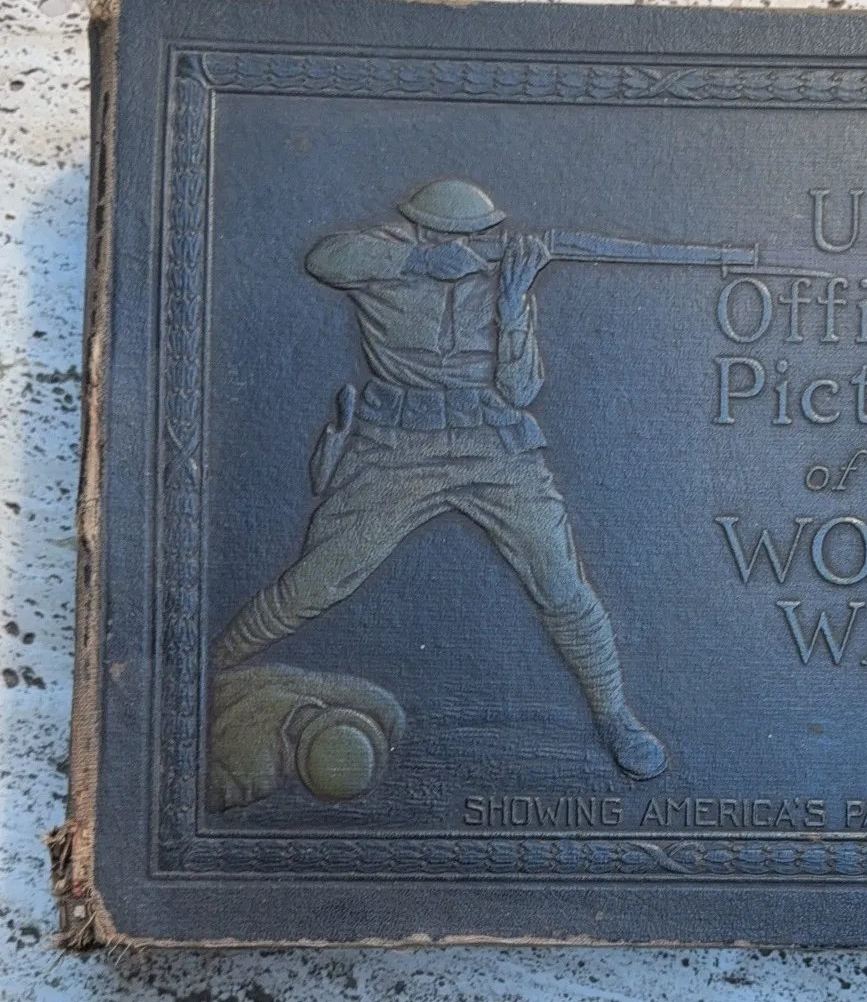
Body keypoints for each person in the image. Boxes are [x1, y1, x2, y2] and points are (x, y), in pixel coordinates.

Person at [211, 178, 668, 783]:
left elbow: (520, 390)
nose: (467, 244)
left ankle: (614, 716)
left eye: (475, 235)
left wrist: (512, 303)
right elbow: (322, 258)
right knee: (316, 582)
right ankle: (204, 673)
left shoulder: (504, 279)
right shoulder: (381, 257)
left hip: (492, 443)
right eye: (451, 235)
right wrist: (419, 263)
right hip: (397, 446)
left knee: (561, 583)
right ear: (421, 228)